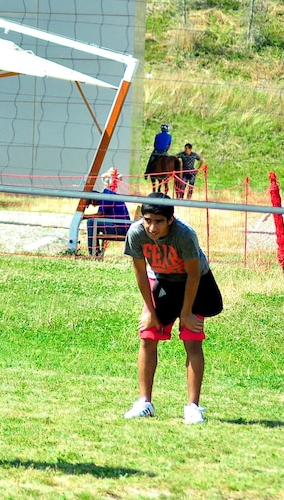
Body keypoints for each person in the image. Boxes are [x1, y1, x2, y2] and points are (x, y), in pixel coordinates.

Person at [122, 193, 223, 424]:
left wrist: (186, 313)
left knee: (192, 340)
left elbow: (194, 274)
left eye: (159, 221)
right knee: (147, 337)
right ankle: (145, 403)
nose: (152, 227)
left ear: (170, 219)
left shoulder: (184, 234)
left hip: (195, 283)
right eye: (148, 220)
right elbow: (140, 272)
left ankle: (193, 407)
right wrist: (150, 311)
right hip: (162, 280)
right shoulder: (136, 233)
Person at [85, 168, 131, 256]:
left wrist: (84, 216)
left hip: (120, 228)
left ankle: (93, 253)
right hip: (120, 226)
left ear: (93, 199)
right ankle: (96, 251)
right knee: (94, 222)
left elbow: (99, 215)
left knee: (91, 222)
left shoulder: (106, 196)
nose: (93, 206)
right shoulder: (106, 195)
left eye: (91, 203)